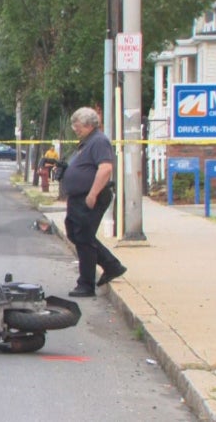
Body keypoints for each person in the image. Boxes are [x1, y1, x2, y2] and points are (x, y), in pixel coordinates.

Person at [60, 107, 126, 297]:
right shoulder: (87, 142)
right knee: (76, 234)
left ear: (89, 125)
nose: (75, 129)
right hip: (78, 198)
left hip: (90, 197)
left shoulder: (99, 141)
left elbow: (105, 169)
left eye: (77, 126)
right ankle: (111, 265)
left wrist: (92, 194)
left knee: (84, 238)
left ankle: (86, 284)